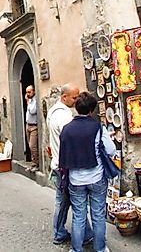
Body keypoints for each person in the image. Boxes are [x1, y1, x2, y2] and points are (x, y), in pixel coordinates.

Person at [59, 92, 115, 252]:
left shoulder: (67, 129)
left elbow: (64, 154)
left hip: (76, 180)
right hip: (96, 178)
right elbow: (110, 151)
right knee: (98, 216)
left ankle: (76, 249)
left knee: (78, 216)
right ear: (91, 110)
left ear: (77, 108)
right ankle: (100, 248)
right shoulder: (97, 127)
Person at [47, 84, 86, 245]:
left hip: (59, 163)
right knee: (66, 201)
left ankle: (85, 232)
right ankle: (59, 233)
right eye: (74, 98)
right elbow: (72, 139)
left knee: (72, 200)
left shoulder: (55, 111)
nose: (77, 101)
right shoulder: (63, 117)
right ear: (64, 97)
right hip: (65, 166)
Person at [24, 85, 40, 170]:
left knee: (32, 146)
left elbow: (33, 111)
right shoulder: (31, 100)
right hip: (28, 125)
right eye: (27, 92)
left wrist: (28, 102)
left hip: (34, 126)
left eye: (29, 92)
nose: (28, 94)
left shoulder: (34, 100)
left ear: (34, 91)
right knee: (29, 145)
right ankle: (33, 163)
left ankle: (36, 164)